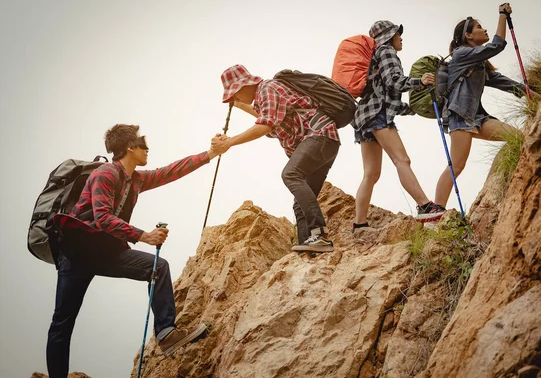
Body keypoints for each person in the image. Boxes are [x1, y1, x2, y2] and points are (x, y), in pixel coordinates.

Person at [46, 124, 227, 378]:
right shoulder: (105, 174)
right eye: (143, 144)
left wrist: (210, 153)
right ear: (129, 148)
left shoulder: (136, 179)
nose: (147, 148)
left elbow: (170, 172)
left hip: (106, 253)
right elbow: (103, 219)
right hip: (78, 254)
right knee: (63, 321)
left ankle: (166, 333)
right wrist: (144, 236)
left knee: (158, 267)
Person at [213, 64, 340, 253]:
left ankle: (320, 234)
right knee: (299, 202)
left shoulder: (267, 88)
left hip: (319, 136)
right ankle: (310, 248)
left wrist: (229, 142)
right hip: (325, 142)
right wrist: (242, 107)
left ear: (243, 85)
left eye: (235, 94)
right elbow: (271, 122)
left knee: (291, 174)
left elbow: (265, 125)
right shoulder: (265, 97)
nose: (235, 98)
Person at [434, 3, 539, 207]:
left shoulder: (479, 63)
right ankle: (435, 211)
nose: (484, 29)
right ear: (469, 36)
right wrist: (502, 15)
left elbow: (505, 83)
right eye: (479, 27)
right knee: (457, 164)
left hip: (477, 117)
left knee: (516, 138)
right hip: (459, 115)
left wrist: (535, 96)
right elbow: (497, 46)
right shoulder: (461, 55)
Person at [352, 20, 446, 233]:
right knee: (402, 160)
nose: (401, 37)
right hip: (378, 116)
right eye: (398, 34)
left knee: (370, 174)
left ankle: (359, 224)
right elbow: (393, 81)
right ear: (388, 36)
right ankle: (424, 206)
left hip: (365, 117)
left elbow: (385, 95)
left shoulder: (374, 57)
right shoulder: (386, 51)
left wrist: (411, 108)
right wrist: (419, 81)